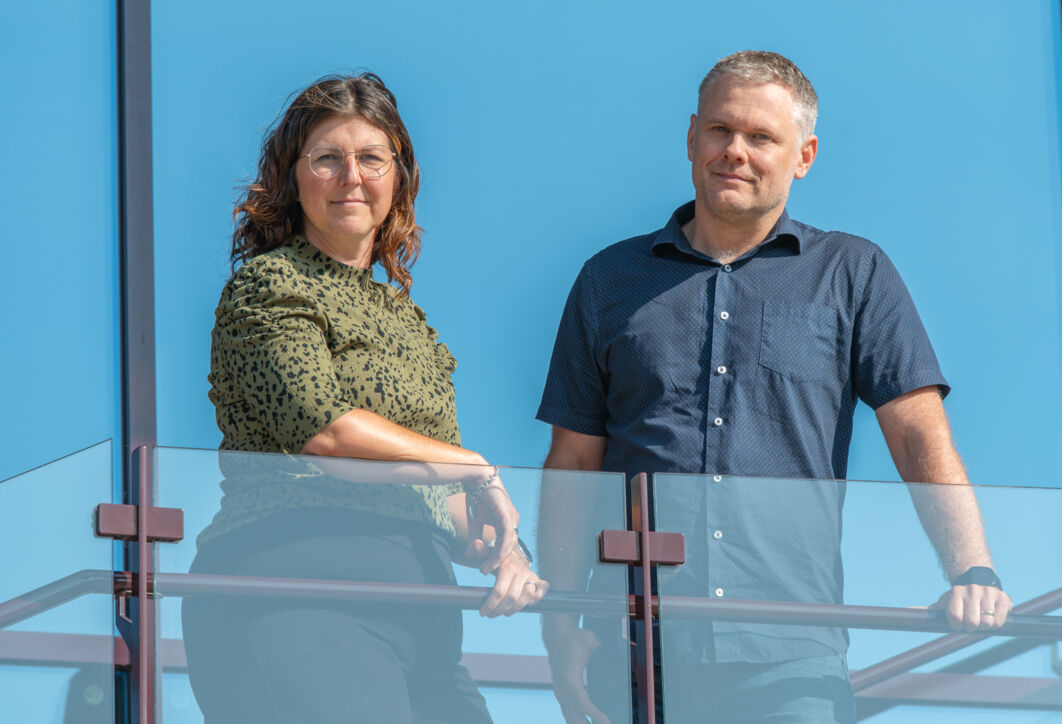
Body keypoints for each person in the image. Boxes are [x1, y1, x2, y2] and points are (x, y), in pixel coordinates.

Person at [536, 51, 1013, 723]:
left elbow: (917, 433)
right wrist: (560, 620)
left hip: (790, 653)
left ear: (804, 155)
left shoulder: (853, 273)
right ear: (691, 137)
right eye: (720, 130)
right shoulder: (607, 280)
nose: (736, 151)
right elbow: (574, 464)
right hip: (633, 646)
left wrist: (973, 570)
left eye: (762, 137)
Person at [181, 72, 546, 724]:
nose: (352, 175)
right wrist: (475, 468)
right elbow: (325, 433)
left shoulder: (408, 322)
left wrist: (506, 548)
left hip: (421, 614)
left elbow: (437, 492)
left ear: (398, 179)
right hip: (297, 592)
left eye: (371, 158)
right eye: (327, 158)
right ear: (294, 179)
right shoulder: (271, 285)